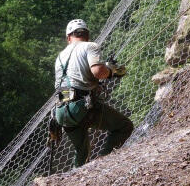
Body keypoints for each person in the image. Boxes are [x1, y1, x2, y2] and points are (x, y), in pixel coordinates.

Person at [54, 19, 133, 168]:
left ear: (68, 38)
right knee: (124, 126)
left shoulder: (60, 56)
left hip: (61, 111)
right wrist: (112, 71)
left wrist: (98, 82)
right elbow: (98, 72)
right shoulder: (90, 46)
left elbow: (73, 81)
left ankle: (75, 179)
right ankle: (103, 164)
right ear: (87, 35)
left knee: (82, 151)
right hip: (79, 107)